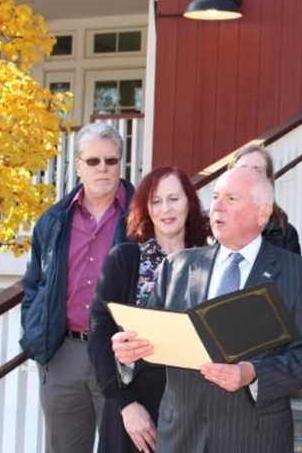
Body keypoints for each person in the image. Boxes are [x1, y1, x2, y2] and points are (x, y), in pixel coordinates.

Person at [111, 167, 302, 452]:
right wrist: (129, 355)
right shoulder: (177, 267)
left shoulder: (298, 274)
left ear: (262, 214)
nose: (217, 207)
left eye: (231, 199)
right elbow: (151, 344)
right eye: (215, 197)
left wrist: (253, 373)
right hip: (181, 437)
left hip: (254, 438)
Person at [20, 122, 135, 453]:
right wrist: (36, 332)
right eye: (93, 161)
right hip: (64, 353)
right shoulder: (54, 220)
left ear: (121, 164)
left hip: (119, 354)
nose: (103, 168)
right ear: (78, 166)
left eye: (110, 161)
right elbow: (33, 285)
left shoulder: (142, 216)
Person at [88, 166, 210, 452]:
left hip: (195, 410)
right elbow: (99, 333)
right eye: (156, 201)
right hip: (134, 408)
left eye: (174, 199)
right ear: (146, 208)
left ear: (189, 204)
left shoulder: (212, 261)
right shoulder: (125, 259)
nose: (166, 209)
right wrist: (126, 405)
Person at [228, 144, 301, 254]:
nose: (248, 176)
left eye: (257, 170)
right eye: (242, 169)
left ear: (268, 181)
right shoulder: (213, 227)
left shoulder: (286, 235)